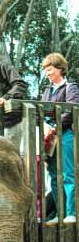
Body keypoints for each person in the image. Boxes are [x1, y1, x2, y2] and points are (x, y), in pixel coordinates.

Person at [42, 53, 79, 225]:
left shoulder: (70, 87)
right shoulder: (47, 90)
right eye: (46, 70)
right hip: (49, 137)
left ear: (60, 69)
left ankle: (71, 213)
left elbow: (71, 110)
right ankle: (59, 213)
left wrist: (55, 127)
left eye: (50, 69)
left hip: (64, 135)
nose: (48, 73)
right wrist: (45, 128)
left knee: (67, 175)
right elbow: (41, 112)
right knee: (54, 176)